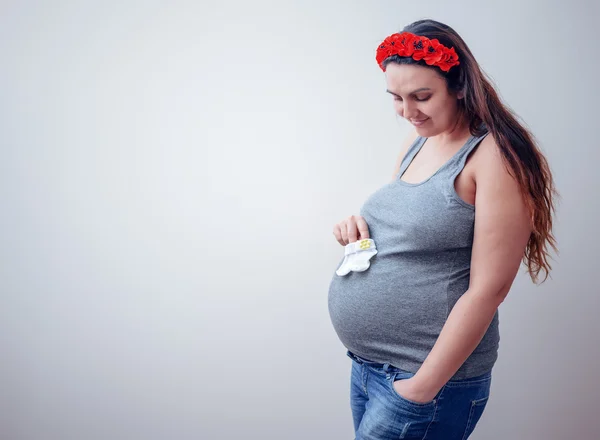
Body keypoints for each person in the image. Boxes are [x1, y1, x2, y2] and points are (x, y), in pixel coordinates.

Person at [328, 19, 557, 440]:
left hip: (424, 381)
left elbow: (489, 289)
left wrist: (420, 389)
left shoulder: (496, 158)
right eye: (395, 98)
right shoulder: (418, 141)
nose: (407, 112)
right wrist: (358, 231)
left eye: (421, 96)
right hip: (368, 370)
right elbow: (415, 235)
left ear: (458, 85)